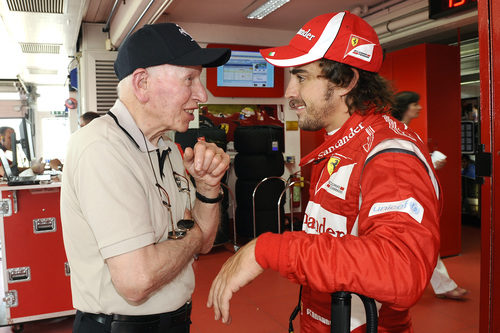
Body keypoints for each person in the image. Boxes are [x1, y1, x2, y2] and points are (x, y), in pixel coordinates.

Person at [207, 12, 442, 333]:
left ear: (345, 82)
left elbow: (402, 270)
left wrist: (268, 249)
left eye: (301, 77)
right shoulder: (340, 145)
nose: (290, 92)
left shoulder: (390, 155)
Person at [60, 23, 231, 333]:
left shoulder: (168, 148)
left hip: (175, 321)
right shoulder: (101, 148)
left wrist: (207, 188)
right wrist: (191, 237)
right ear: (142, 83)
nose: (202, 95)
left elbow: (205, 243)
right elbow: (137, 281)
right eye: (189, 79)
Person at [392, 91, 469, 301]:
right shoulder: (397, 134)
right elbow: (403, 169)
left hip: (410, 198)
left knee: (420, 242)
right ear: (407, 107)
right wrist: (433, 164)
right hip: (401, 199)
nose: (420, 108)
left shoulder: (406, 132)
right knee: (421, 241)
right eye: (416, 104)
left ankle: (441, 285)